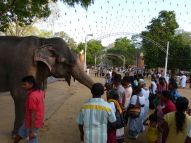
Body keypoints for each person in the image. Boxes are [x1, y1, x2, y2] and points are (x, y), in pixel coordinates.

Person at [13, 75, 45, 143]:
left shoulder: (32, 96)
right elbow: (41, 105)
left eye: (25, 84)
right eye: (22, 84)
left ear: (31, 84)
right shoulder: (40, 92)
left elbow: (33, 114)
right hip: (29, 121)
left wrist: (32, 131)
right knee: (20, 133)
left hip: (32, 123)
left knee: (32, 140)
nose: (23, 86)